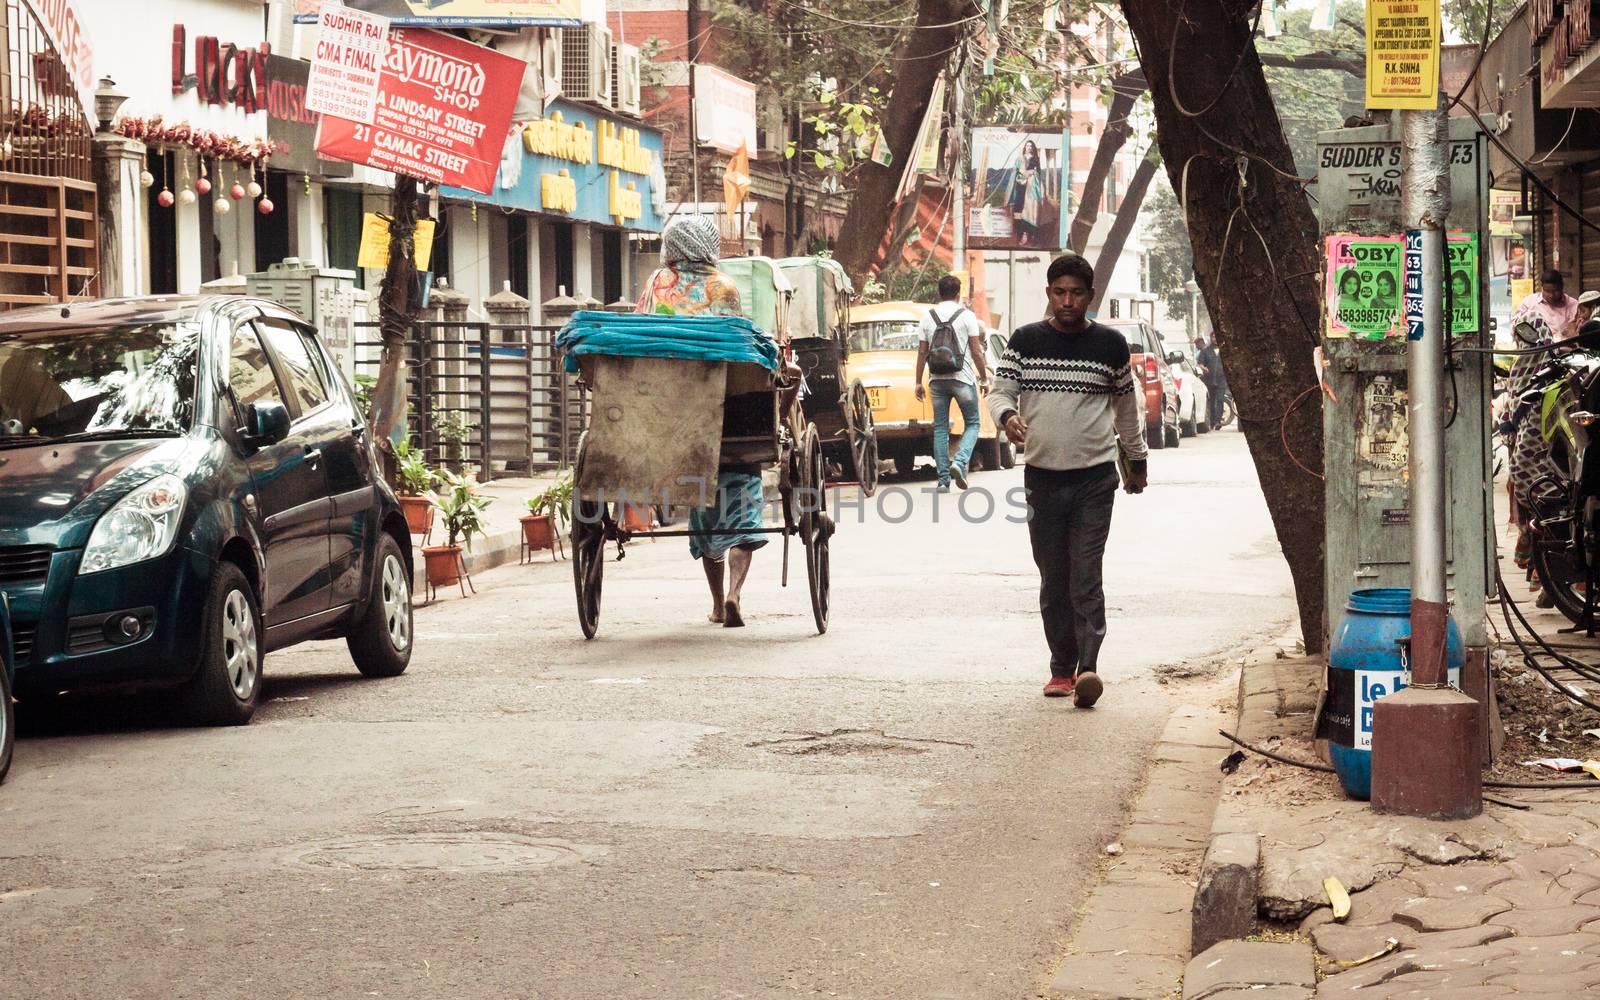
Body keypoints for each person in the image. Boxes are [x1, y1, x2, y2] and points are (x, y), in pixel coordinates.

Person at [988, 254, 1148, 708]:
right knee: (1053, 575)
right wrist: (1007, 416)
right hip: (1042, 479)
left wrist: (1135, 461)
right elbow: (1000, 391)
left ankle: (1088, 668)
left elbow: (1126, 410)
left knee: (1086, 574)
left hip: (1095, 479)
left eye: (1076, 293)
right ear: (1048, 294)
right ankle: (1061, 666)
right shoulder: (1024, 342)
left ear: (1090, 297)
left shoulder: (1111, 346)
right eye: (1059, 291)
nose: (1067, 300)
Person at [636, 214, 766, 628]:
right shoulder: (722, 287)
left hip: (669, 417)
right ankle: (733, 594)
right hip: (728, 417)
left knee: (704, 510)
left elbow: (640, 330)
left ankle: (715, 604)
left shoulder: (657, 284)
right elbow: (741, 344)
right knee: (743, 512)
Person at [914, 275, 989, 492]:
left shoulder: (927, 317)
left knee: (940, 429)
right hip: (963, 379)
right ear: (958, 294)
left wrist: (918, 381)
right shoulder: (967, 316)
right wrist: (984, 378)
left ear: (939, 293)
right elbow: (976, 352)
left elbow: (922, 352)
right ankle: (960, 460)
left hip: (937, 380)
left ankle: (943, 481)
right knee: (973, 423)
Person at [1517, 269, 1580, 341]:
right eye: (1547, 291)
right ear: (1542, 287)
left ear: (1562, 287)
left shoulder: (1574, 305)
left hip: (1566, 348)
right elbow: (1516, 325)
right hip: (1537, 348)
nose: (1551, 295)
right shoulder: (1529, 303)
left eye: (1556, 291)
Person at [1010, 140, 1045, 246]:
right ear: (1024, 147)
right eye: (1027, 145)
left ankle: (1029, 235)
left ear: (1033, 148)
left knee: (1030, 210)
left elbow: (1038, 173)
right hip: (1021, 186)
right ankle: (1022, 234)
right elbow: (1016, 172)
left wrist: (1030, 175)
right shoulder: (1020, 159)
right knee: (1019, 210)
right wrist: (1021, 178)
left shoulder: (1035, 159)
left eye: (1030, 146)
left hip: (1031, 188)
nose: (1029, 147)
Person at [1194, 335, 1226, 430]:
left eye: (1217, 337)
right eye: (1213, 337)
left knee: (1220, 400)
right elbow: (1200, 363)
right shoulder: (1205, 350)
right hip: (1209, 379)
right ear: (1211, 338)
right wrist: (1204, 368)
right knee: (1211, 401)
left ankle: (1218, 421)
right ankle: (1212, 421)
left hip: (1221, 379)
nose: (1215, 339)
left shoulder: (1225, 349)